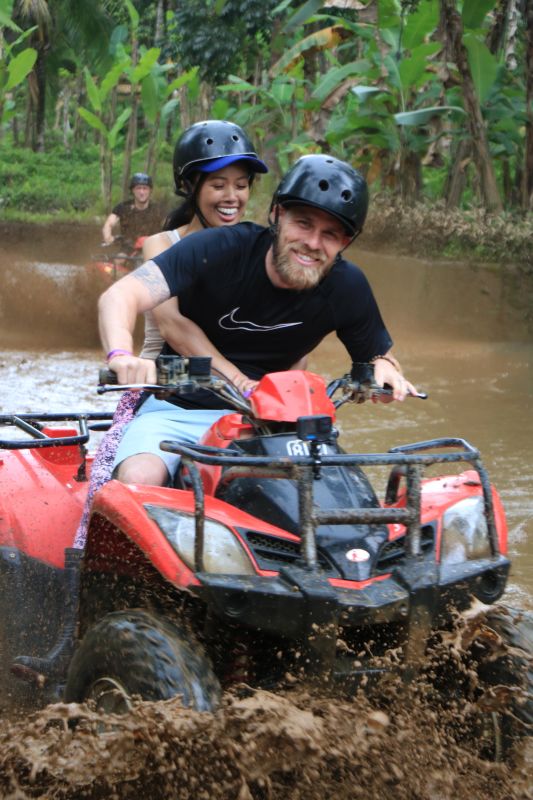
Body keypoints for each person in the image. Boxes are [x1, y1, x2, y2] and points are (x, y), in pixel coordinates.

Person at [12, 121, 269, 681]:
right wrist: (244, 384)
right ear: (191, 188)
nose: (231, 197)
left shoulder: (263, 251)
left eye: (241, 184)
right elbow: (175, 326)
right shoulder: (161, 244)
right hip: (165, 398)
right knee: (136, 482)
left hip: (244, 414)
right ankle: (73, 637)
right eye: (217, 184)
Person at [99, 154, 416, 489]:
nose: (312, 243)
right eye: (303, 223)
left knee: (335, 495)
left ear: (345, 243)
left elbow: (377, 355)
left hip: (275, 427)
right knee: (140, 479)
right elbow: (120, 296)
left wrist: (384, 369)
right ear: (278, 214)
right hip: (178, 410)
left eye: (331, 234)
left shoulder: (347, 286)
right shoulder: (218, 248)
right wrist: (121, 355)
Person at [101, 172, 162, 250]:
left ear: (150, 190)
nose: (142, 192)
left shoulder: (158, 209)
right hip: (127, 250)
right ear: (133, 190)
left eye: (145, 188)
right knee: (119, 260)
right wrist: (108, 237)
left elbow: (170, 227)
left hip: (153, 249)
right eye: (138, 188)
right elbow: (108, 224)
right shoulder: (123, 208)